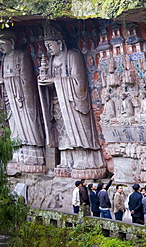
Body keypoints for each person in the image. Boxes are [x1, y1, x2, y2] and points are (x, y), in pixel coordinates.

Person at [39, 21, 103, 169]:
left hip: (72, 102)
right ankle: (66, 160)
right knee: (62, 132)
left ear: (60, 44)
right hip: (58, 102)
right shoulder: (52, 61)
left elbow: (79, 82)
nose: (48, 49)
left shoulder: (73, 56)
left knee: (76, 130)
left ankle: (84, 159)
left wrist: (56, 82)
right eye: (46, 46)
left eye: (50, 45)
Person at [0, 29, 45, 166]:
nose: (0, 47)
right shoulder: (4, 58)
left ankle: (33, 153)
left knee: (27, 123)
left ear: (11, 42)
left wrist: (16, 87)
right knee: (14, 125)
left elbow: (27, 79)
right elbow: (4, 77)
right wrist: (3, 82)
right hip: (10, 97)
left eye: (2, 43)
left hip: (22, 97)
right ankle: (16, 152)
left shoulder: (22, 56)